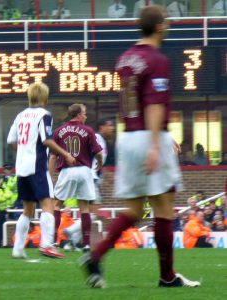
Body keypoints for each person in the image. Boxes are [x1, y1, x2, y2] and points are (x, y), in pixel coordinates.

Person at [79, 5, 200, 289]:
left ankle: (95, 255)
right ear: (159, 27)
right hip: (148, 136)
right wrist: (157, 145)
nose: (168, 25)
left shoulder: (126, 58)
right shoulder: (157, 59)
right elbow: (155, 104)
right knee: (164, 209)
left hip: (128, 137)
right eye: (166, 22)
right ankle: (167, 276)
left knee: (133, 209)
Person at [7, 82, 76, 259]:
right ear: (44, 98)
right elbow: (46, 140)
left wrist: (24, 149)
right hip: (37, 166)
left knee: (27, 210)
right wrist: (65, 154)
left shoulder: (20, 115)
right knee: (48, 205)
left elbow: (11, 140)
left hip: (21, 167)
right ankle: (46, 245)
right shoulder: (44, 115)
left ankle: (17, 249)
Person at [49, 103, 103, 252]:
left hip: (67, 171)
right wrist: (100, 162)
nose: (85, 116)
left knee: (57, 205)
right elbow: (98, 152)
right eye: (84, 113)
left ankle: (53, 242)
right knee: (84, 207)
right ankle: (86, 243)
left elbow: (53, 157)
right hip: (85, 171)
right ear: (78, 114)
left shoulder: (59, 131)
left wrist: (51, 175)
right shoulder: (88, 130)